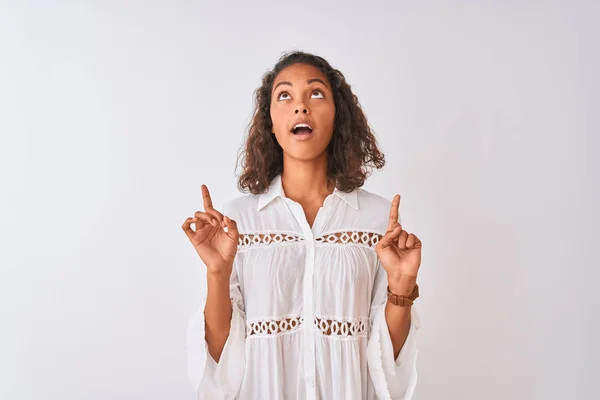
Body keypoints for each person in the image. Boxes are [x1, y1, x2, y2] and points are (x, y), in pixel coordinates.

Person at [182, 51, 423, 400]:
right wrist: (217, 272)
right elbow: (221, 365)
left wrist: (401, 290)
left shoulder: (377, 220)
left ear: (337, 114)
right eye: (284, 95)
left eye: (315, 93)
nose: (300, 106)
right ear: (271, 121)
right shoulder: (236, 223)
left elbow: (387, 369)